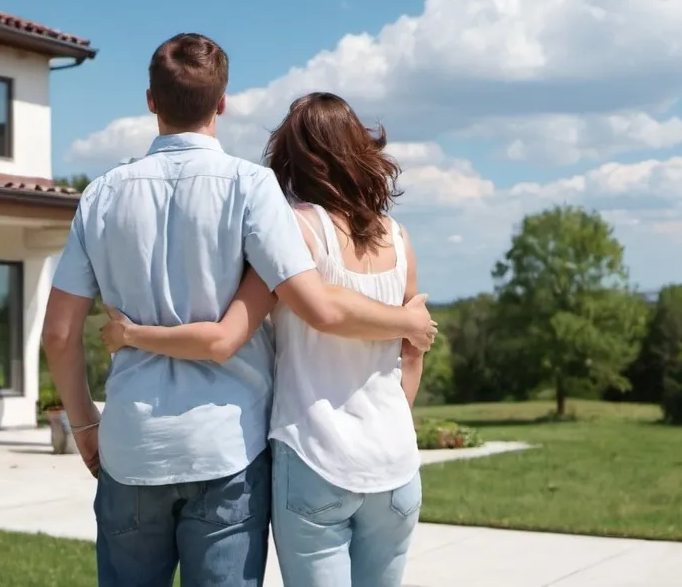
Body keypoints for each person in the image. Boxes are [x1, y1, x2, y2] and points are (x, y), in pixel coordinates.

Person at [42, 35, 435, 587]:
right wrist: (409, 322)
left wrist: (86, 426)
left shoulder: (100, 196)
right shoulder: (253, 190)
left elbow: (59, 335)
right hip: (227, 449)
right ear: (221, 104)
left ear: (150, 101)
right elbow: (312, 304)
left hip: (131, 445)